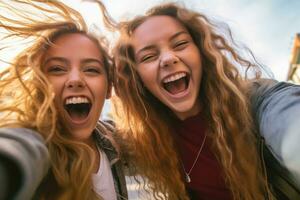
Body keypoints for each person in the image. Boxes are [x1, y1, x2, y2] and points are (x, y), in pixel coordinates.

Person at [112, 2, 300, 200]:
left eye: (180, 44)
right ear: (136, 77)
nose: (168, 58)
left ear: (201, 52)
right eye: (149, 56)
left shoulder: (257, 101)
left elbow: (289, 121)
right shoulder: (147, 135)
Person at [0, 1, 127, 199]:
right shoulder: (35, 143)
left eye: (91, 69)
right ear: (40, 83)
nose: (75, 79)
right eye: (57, 69)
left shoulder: (109, 138)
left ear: (109, 88)